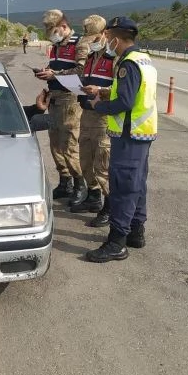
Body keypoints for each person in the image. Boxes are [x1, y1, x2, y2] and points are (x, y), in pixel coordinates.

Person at [84, 16, 157, 263]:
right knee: (137, 184)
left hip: (128, 134)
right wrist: (103, 91)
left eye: (108, 37)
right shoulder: (143, 59)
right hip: (141, 132)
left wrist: (98, 104)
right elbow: (131, 92)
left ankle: (116, 242)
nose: (106, 42)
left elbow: (125, 102)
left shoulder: (128, 64)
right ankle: (136, 232)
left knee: (123, 187)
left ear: (115, 38)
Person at [34, 9, 89, 205]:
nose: (51, 34)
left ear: (64, 27)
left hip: (70, 100)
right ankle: (65, 181)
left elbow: (82, 71)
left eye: (53, 30)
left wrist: (55, 75)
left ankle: (80, 185)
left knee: (69, 145)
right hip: (55, 99)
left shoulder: (80, 43)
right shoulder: (57, 46)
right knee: (55, 145)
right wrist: (46, 73)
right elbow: (57, 68)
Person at [71, 15, 114, 227]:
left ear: (104, 34)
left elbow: (120, 90)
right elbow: (84, 79)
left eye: (94, 38)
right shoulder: (90, 57)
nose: (91, 43)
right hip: (87, 114)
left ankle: (110, 207)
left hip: (104, 119)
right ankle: (94, 197)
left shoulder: (114, 58)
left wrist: (101, 91)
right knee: (85, 161)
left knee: (102, 165)